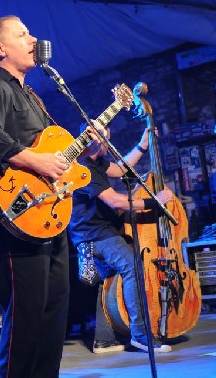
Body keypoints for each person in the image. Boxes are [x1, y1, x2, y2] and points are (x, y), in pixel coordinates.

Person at [0, 15, 102, 378]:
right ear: (0, 48)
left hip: (49, 216)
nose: (33, 38)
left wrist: (85, 151)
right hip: (17, 214)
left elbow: (54, 158)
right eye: (22, 34)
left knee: (54, 309)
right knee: (25, 315)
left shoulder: (32, 96)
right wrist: (35, 160)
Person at [68, 125, 174, 354]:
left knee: (108, 280)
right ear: (97, 141)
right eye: (107, 139)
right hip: (94, 234)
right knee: (133, 265)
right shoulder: (84, 168)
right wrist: (154, 203)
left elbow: (120, 169)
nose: (109, 143)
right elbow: (115, 201)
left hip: (93, 233)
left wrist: (142, 145)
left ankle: (104, 338)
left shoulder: (95, 163)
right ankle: (141, 335)